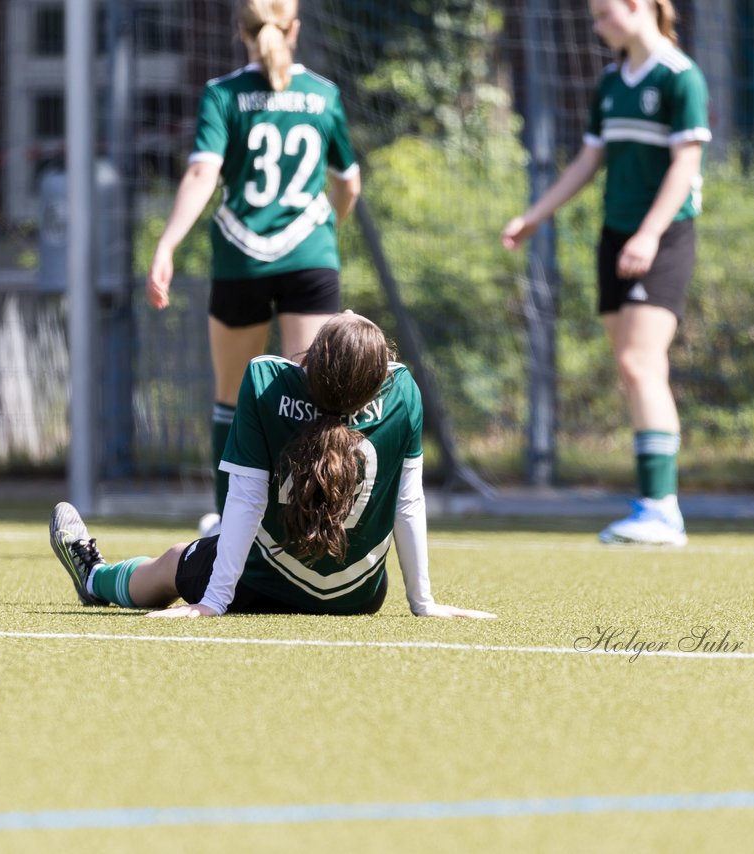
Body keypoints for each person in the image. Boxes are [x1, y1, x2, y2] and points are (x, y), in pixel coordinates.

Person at [49, 313, 495, 619]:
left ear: (312, 364)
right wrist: (423, 600)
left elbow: (245, 496)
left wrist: (215, 601)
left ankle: (94, 578)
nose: (350, 308)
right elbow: (408, 503)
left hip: (259, 583)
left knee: (171, 562)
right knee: (223, 537)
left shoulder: (266, 379)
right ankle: (214, 542)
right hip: (358, 596)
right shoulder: (403, 392)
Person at [146, 0, 361, 538]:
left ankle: (227, 522)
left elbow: (201, 175)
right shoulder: (324, 95)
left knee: (230, 394)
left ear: (241, 32)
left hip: (240, 255)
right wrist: (325, 226)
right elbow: (349, 183)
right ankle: (311, 520)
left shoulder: (223, 94)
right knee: (316, 395)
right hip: (309, 257)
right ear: (295, 28)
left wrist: (167, 244)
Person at [500, 0, 709, 546]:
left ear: (637, 7)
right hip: (615, 236)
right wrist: (534, 216)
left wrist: (648, 234)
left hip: (662, 236)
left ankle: (662, 509)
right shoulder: (613, 81)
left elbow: (686, 166)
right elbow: (589, 161)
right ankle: (652, 502)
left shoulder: (681, 78)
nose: (595, 26)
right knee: (630, 364)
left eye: (601, 14)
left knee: (643, 362)